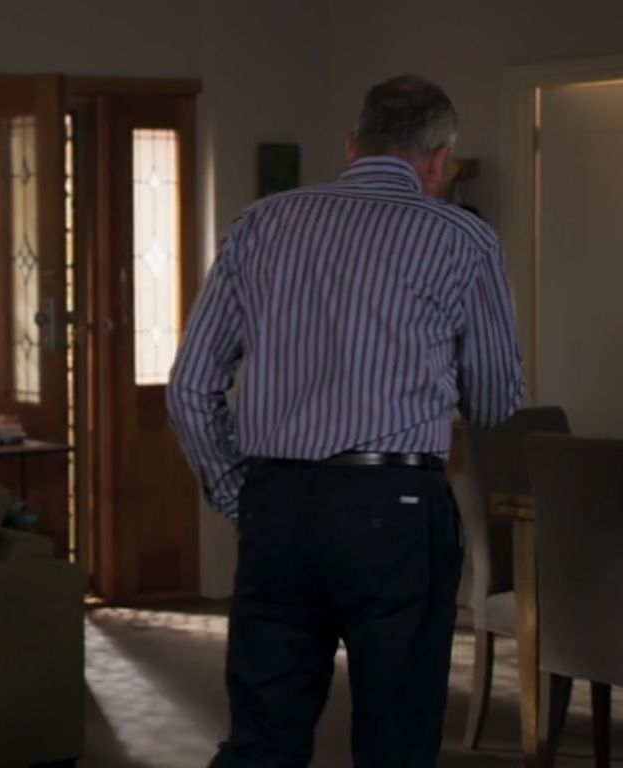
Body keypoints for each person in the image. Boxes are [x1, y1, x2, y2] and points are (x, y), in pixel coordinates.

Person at [167, 75, 523, 767]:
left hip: (278, 504)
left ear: (352, 145)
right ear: (439, 160)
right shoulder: (463, 239)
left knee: (262, 741)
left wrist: (240, 494)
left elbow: (189, 388)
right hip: (397, 508)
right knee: (397, 740)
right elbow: (494, 402)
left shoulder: (262, 224)